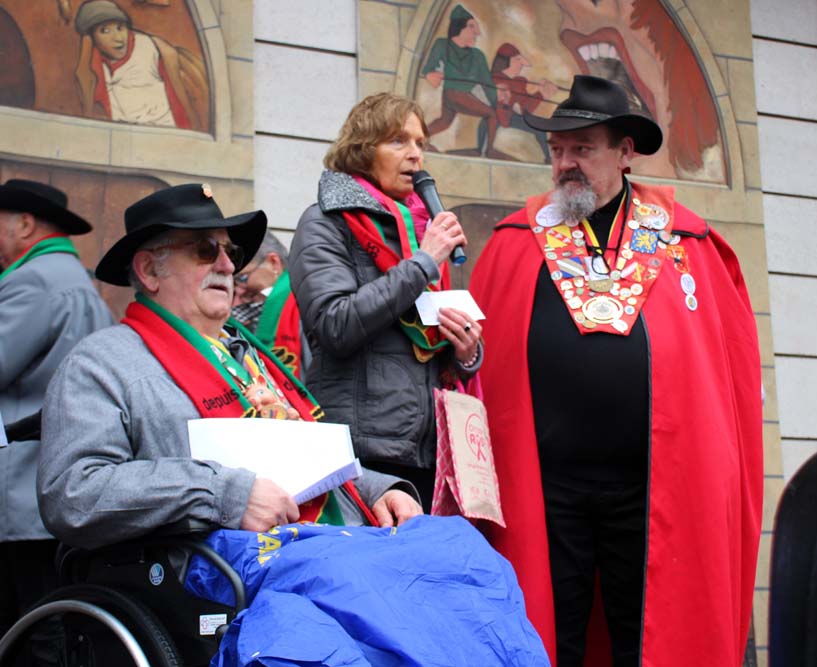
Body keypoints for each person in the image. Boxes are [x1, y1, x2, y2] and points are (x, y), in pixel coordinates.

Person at [37, 184, 548, 666]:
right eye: (204, 250)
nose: (227, 265)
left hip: (319, 545)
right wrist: (224, 494)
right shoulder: (102, 362)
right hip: (212, 566)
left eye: (231, 252)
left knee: (463, 556)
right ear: (149, 269)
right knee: (363, 589)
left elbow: (303, 453)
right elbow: (72, 493)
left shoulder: (248, 353)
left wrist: (377, 489)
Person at [469, 75, 763, 667]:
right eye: (557, 150)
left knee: (647, 637)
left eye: (583, 148)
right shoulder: (515, 241)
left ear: (626, 152)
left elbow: (725, 368)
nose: (566, 164)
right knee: (549, 633)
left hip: (653, 485)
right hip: (547, 486)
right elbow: (476, 364)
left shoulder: (686, 242)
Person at [289, 93, 483, 512]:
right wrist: (423, 262)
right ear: (362, 151)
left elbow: (424, 337)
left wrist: (466, 351)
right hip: (362, 457)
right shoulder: (325, 222)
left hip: (429, 452)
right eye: (398, 141)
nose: (415, 155)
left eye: (420, 143)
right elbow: (335, 325)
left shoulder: (419, 229)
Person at [0, 179, 113, 651]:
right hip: (50, 490)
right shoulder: (75, 280)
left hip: (21, 489)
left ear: (25, 224)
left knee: (30, 630)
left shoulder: (33, 281)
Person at [73, 0, 207, 130]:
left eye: (120, 28)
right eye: (105, 31)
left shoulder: (149, 48)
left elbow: (181, 94)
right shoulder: (94, 66)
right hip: (123, 134)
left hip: (163, 129)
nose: (118, 38)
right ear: (92, 38)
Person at [420, 4, 504, 158]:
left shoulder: (477, 56)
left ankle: (419, 138)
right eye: (472, 27)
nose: (477, 33)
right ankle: (489, 150)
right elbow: (428, 68)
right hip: (453, 93)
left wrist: (496, 101)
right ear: (459, 27)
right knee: (491, 115)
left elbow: (488, 84)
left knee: (445, 121)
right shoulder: (442, 45)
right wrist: (430, 74)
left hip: (458, 95)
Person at [231, 230, 310, 378]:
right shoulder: (255, 304)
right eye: (233, 283)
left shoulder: (305, 302)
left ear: (274, 263)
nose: (239, 290)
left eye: (242, 278)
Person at [478, 42, 558, 163]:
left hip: (510, 116)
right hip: (496, 116)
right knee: (488, 121)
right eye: (517, 60)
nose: (521, 65)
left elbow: (524, 109)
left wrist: (541, 93)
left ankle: (549, 159)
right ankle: (482, 152)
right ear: (506, 62)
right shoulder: (493, 80)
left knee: (539, 127)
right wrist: (505, 101)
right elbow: (500, 113)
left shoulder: (520, 82)